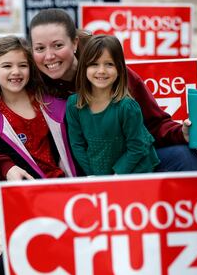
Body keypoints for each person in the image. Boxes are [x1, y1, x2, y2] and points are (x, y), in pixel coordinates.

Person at [0, 36, 77, 275]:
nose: (15, 72)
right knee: (43, 220)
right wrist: (9, 169)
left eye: (22, 65)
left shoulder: (49, 101)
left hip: (66, 180)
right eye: (6, 66)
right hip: (29, 187)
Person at [27, 8, 197, 172]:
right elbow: (6, 132)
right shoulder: (30, 83)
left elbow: (152, 125)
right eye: (40, 48)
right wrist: (8, 167)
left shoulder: (112, 77)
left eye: (58, 45)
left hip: (125, 164)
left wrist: (181, 133)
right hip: (76, 171)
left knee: (185, 157)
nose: (49, 56)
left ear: (74, 43)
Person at [65, 34, 160, 175]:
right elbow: (77, 145)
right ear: (84, 67)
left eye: (109, 64)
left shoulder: (127, 107)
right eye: (94, 64)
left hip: (135, 171)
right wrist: (91, 175)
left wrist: (116, 176)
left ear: (119, 69)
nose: (101, 71)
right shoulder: (74, 104)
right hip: (98, 171)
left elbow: (137, 146)